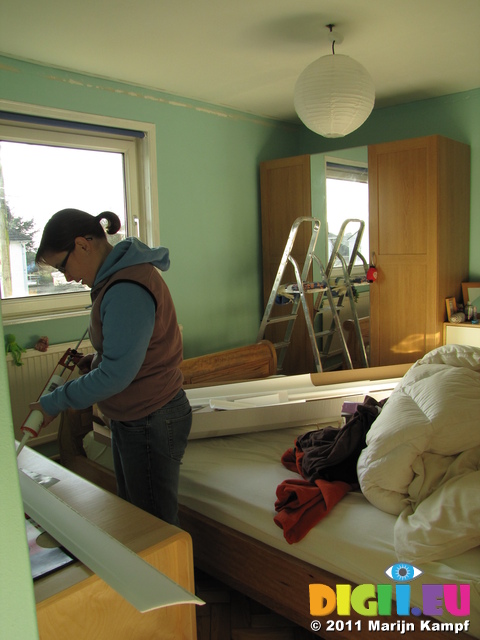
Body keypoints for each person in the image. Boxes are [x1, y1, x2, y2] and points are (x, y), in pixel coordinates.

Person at [32, 208, 191, 526]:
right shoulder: (117, 279)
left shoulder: (126, 287)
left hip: (149, 417)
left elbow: (118, 374)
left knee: (152, 528)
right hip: (135, 415)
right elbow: (130, 354)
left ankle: (161, 577)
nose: (67, 277)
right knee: (137, 516)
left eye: (63, 265)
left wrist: (54, 402)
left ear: (82, 244)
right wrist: (96, 361)